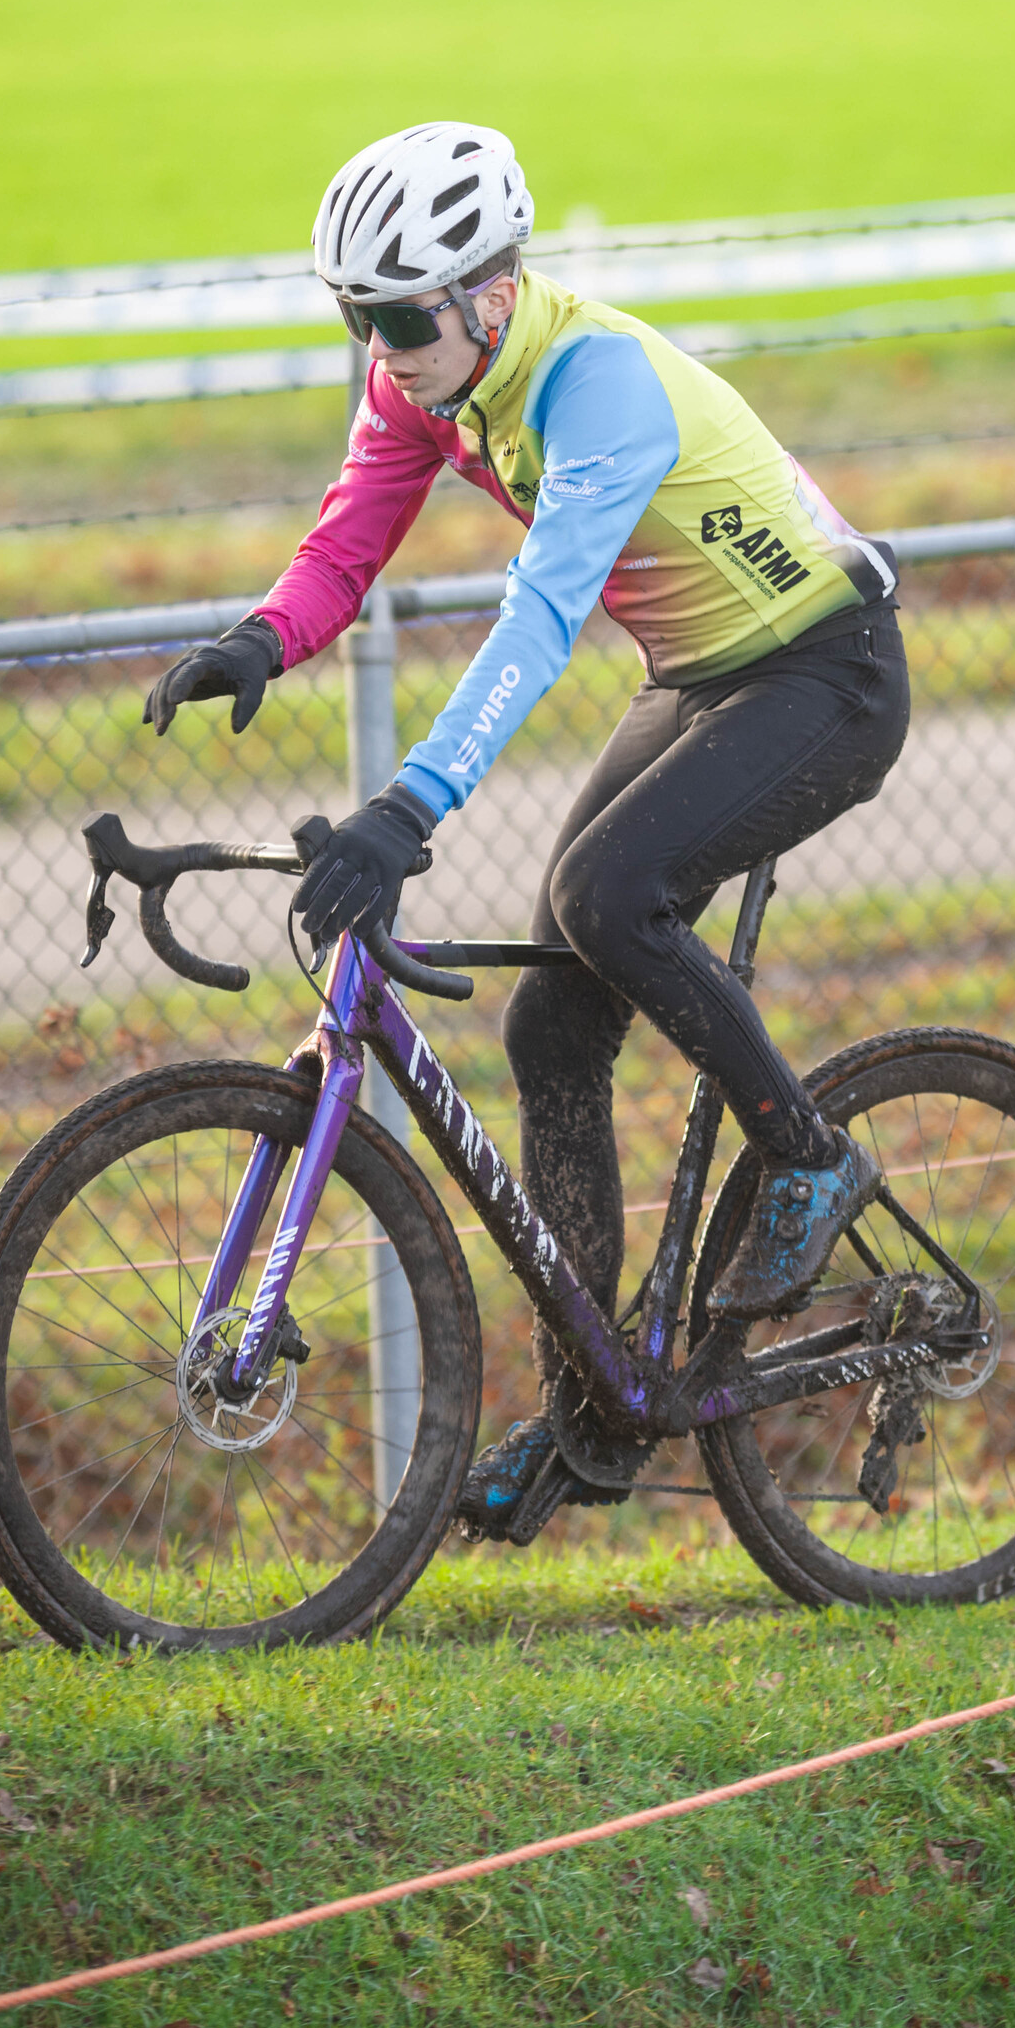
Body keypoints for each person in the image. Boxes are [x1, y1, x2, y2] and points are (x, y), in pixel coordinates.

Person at [145, 123, 911, 1538]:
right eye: (350, 314)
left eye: (397, 314)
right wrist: (261, 640)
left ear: (492, 293)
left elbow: (542, 615)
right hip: (701, 675)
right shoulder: (427, 380)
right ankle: (595, 1414)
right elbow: (346, 544)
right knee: (550, 1030)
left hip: (825, 670)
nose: (375, 344)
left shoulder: (596, 383)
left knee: (610, 895)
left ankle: (806, 1154)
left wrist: (412, 805)